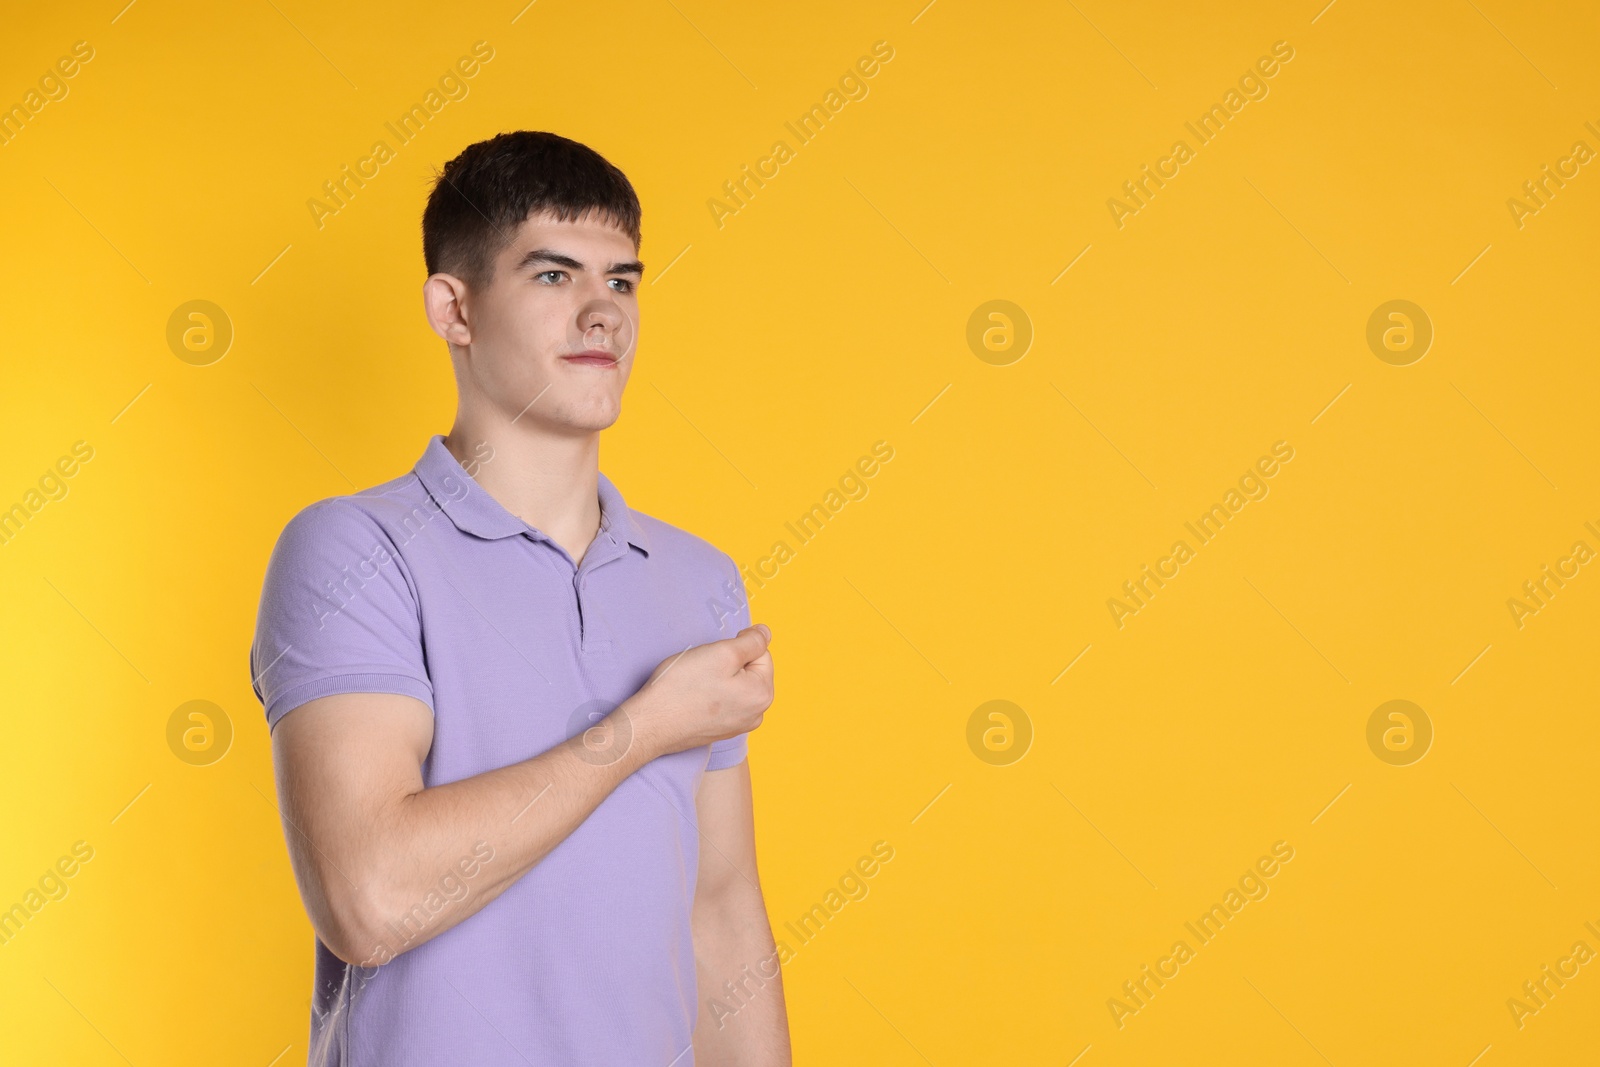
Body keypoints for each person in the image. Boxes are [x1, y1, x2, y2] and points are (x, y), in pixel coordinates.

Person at [249, 130, 790, 1066]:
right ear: (453, 308)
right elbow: (370, 900)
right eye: (553, 276)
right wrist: (642, 727)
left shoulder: (699, 578)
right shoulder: (353, 549)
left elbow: (722, 913)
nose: (603, 314)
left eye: (621, 281)